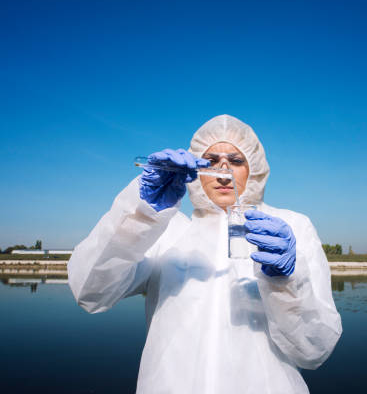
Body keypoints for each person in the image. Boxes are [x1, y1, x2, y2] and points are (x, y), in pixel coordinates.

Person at [68, 114, 342, 393]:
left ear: (255, 169)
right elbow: (90, 292)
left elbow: (314, 350)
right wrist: (141, 215)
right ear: (196, 171)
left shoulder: (290, 227)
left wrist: (286, 283)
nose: (223, 171)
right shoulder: (166, 230)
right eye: (210, 161)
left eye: (236, 161)